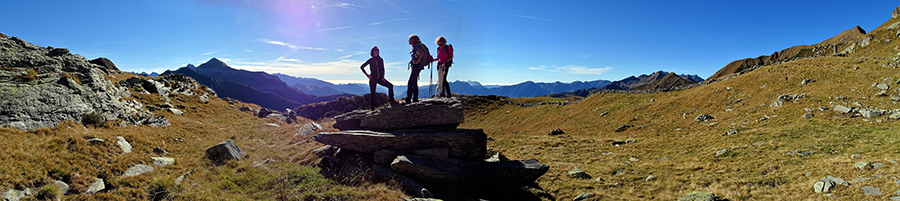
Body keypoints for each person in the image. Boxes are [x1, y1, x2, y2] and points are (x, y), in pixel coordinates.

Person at [406, 34, 430, 103]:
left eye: (410, 39)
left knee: (410, 82)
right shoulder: (416, 46)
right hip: (418, 66)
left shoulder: (416, 46)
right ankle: (415, 98)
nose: (408, 41)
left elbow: (421, 53)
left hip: (416, 66)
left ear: (412, 40)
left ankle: (408, 98)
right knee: (414, 82)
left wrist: (417, 61)